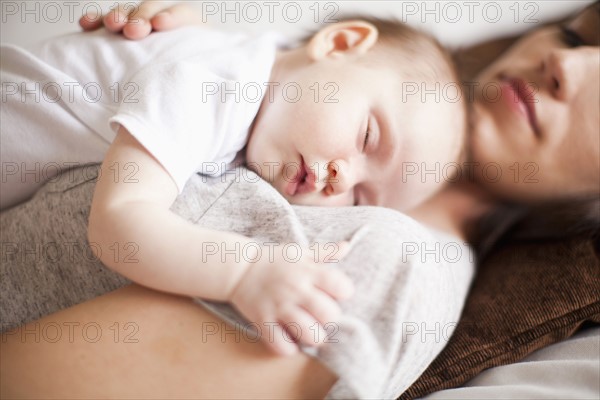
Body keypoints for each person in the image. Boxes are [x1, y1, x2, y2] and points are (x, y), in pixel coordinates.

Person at [1, 1, 598, 399]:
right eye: (576, 33)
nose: (564, 64)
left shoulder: (393, 260)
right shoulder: (270, 84)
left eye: (363, 189)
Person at [0, 7, 466, 356]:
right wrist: (246, 272)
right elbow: (118, 223)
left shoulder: (273, 81)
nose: (341, 180)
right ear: (339, 44)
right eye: (367, 136)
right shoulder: (215, 83)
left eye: (361, 197)